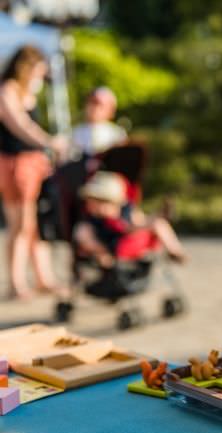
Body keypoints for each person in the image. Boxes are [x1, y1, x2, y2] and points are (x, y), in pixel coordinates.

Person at [0, 45, 69, 299]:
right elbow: (20, 126)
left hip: (33, 163)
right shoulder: (7, 90)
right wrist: (49, 142)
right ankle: (16, 283)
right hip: (15, 164)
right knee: (20, 225)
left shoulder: (27, 91)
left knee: (36, 225)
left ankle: (43, 278)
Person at [74, 171, 187, 267]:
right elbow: (86, 238)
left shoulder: (126, 210)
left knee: (158, 223)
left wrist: (144, 223)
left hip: (129, 236)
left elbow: (137, 222)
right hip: (112, 245)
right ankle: (103, 254)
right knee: (82, 232)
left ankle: (174, 250)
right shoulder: (92, 220)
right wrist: (100, 252)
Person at [72, 87, 127, 156]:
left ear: (111, 110)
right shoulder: (74, 133)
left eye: (99, 104)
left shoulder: (117, 134)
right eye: (91, 102)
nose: (93, 107)